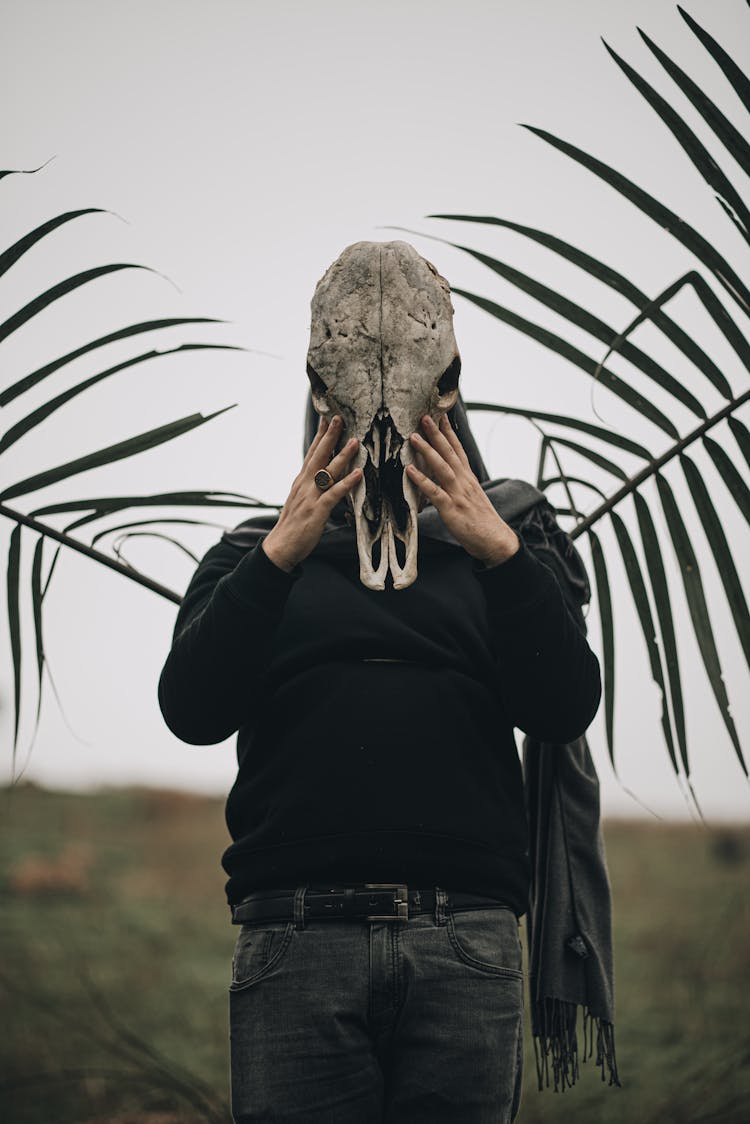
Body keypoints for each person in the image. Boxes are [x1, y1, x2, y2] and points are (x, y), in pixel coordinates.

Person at [157, 244, 602, 1123]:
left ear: (452, 391)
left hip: (465, 944)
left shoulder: (513, 542)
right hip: (295, 939)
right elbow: (191, 711)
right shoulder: (252, 554)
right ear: (319, 396)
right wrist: (281, 556)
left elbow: (562, 705)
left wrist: (504, 556)